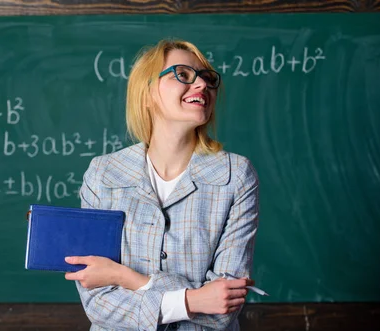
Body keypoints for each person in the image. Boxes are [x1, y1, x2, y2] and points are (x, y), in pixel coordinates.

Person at [64, 38, 260, 331]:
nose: (202, 85)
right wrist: (193, 300)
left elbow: (222, 309)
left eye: (207, 78)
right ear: (147, 94)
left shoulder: (235, 176)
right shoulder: (104, 174)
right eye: (183, 75)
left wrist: (126, 278)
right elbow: (97, 303)